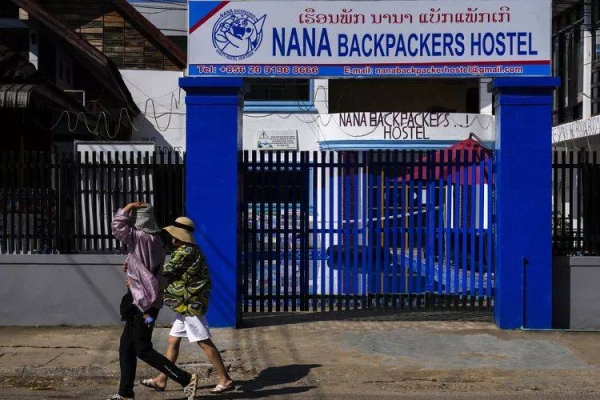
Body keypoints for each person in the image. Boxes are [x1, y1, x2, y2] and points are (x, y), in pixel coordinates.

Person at [107, 203, 198, 400]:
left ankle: (185, 378)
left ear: (139, 221)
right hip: (143, 300)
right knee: (126, 347)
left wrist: (129, 206)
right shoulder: (155, 240)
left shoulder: (140, 237)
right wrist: (131, 266)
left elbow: (117, 226)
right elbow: (145, 265)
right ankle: (125, 393)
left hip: (143, 302)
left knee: (143, 349)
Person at [140, 216, 235, 395]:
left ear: (179, 236)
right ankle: (162, 379)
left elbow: (166, 271)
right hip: (185, 304)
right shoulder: (191, 249)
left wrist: (138, 271)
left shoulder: (186, 251)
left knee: (203, 341)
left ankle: (225, 379)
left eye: (173, 234)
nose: (170, 237)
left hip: (190, 304)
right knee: (173, 340)